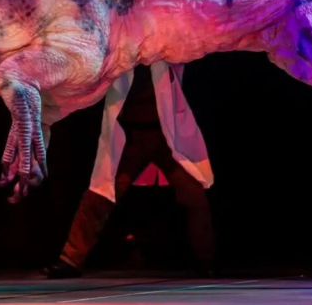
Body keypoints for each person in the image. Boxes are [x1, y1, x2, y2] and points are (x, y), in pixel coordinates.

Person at [44, 62, 215, 278]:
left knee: (194, 195)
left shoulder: (167, 49)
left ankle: (205, 262)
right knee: (100, 195)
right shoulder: (122, 51)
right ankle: (70, 259)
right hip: (129, 136)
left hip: (167, 137)